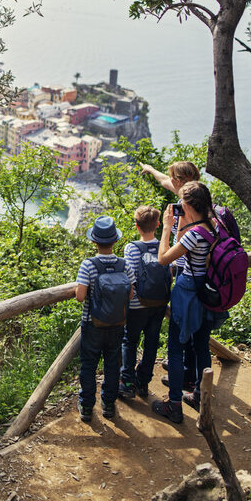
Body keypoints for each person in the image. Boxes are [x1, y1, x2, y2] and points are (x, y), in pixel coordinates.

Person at [152, 181, 227, 423]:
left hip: (188, 291)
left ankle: (174, 404)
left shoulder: (194, 235)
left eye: (181, 201)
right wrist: (182, 224)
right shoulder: (213, 225)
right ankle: (199, 395)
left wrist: (166, 227)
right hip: (207, 290)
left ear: (188, 204)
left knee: (176, 348)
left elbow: (164, 258)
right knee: (201, 344)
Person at [140, 159, 200, 390]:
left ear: (182, 180)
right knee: (191, 327)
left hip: (188, 273)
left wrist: (167, 226)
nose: (171, 181)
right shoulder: (194, 194)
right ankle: (187, 370)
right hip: (188, 270)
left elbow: (166, 255)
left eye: (175, 178)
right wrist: (150, 169)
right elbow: (163, 180)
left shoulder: (190, 205)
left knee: (183, 327)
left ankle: (184, 377)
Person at [74, 215, 134, 422]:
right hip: (117, 324)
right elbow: (131, 294)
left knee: (89, 366)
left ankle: (87, 407)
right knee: (111, 364)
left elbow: (80, 296)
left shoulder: (88, 265)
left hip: (93, 325)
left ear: (94, 242)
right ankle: (108, 404)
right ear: (115, 241)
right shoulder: (124, 265)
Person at [118, 205, 168, 400]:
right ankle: (143, 382)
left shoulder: (131, 248)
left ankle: (127, 382)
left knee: (129, 341)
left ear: (137, 226)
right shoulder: (164, 246)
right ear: (157, 224)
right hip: (159, 304)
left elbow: (129, 276)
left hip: (137, 305)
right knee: (151, 343)